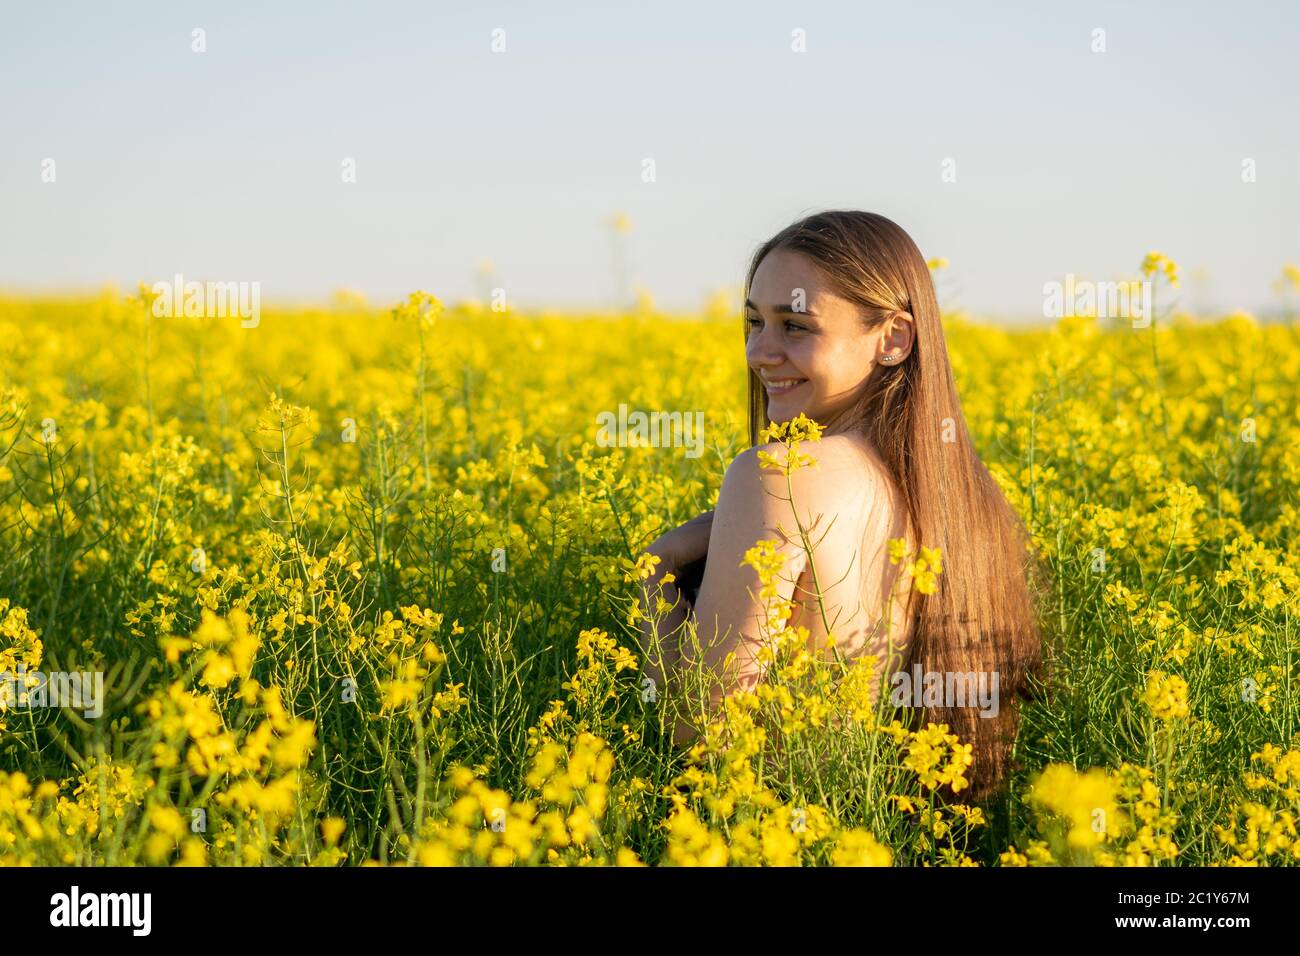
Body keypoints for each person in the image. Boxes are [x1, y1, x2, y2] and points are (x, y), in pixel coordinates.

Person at [635, 209, 1047, 804]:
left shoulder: (774, 478)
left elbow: (704, 736)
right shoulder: (967, 498)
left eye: (795, 327)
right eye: (754, 323)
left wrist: (658, 570)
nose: (758, 353)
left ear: (893, 339)